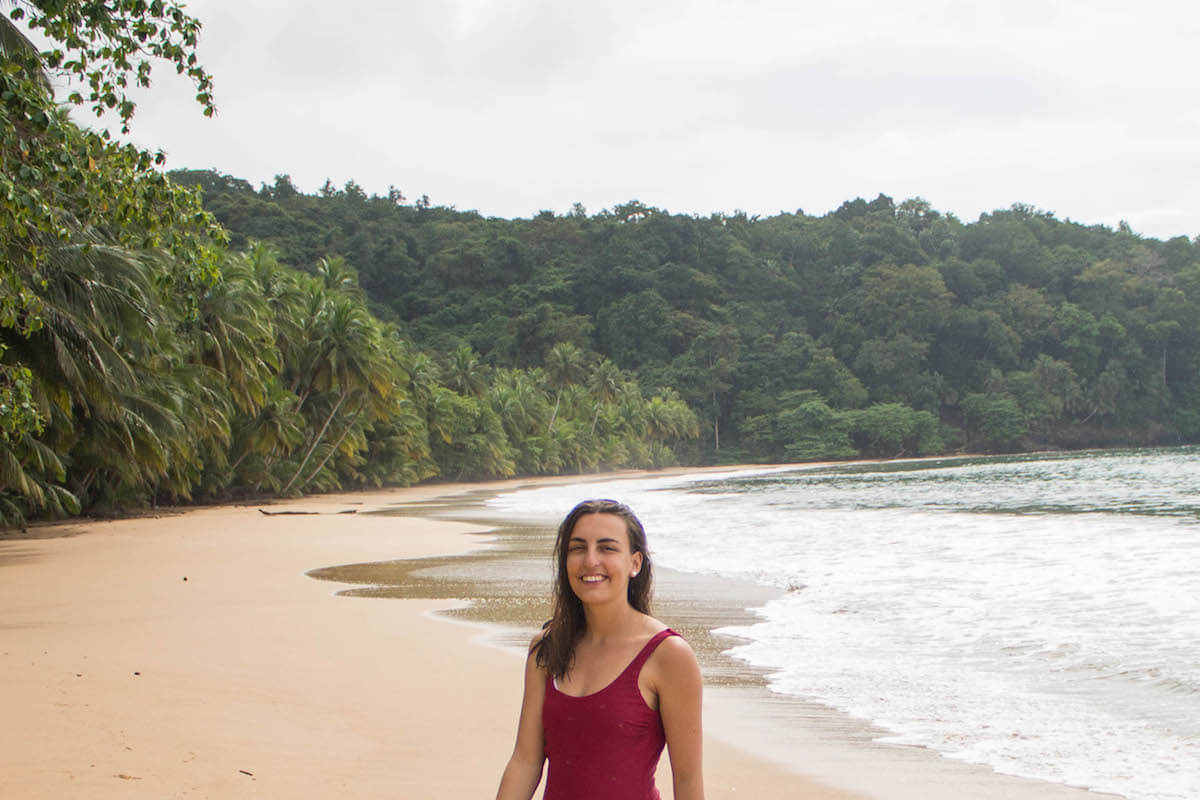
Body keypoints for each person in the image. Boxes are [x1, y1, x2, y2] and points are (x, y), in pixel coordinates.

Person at [495, 499, 705, 800]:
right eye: (577, 548)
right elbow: (525, 761)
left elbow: (687, 781)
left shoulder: (668, 655)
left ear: (635, 563)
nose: (590, 560)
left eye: (607, 548)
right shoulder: (547, 648)